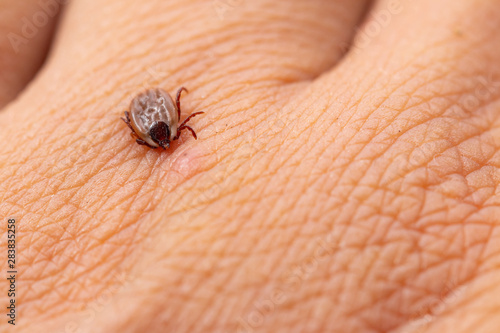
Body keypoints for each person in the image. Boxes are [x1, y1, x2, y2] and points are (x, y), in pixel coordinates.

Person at [1, 0, 499, 332]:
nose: (169, 141)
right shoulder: (168, 123)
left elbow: (139, 117)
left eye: (169, 135)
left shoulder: (158, 128)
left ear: (172, 128)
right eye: (163, 138)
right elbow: (153, 114)